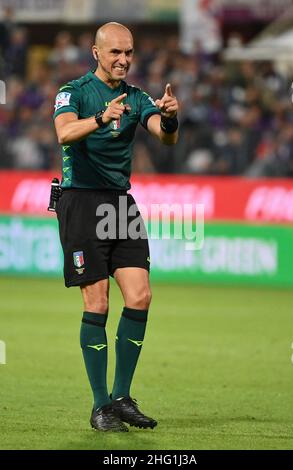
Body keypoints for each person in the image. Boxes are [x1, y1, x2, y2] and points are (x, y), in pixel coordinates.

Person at [53, 22, 179, 432]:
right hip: (81, 201)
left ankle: (122, 397)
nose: (123, 59)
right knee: (99, 303)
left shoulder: (139, 97)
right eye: (115, 53)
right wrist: (100, 116)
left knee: (140, 296)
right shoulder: (74, 92)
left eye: (128, 52)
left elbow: (165, 138)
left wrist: (170, 119)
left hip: (120, 205)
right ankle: (99, 406)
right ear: (96, 53)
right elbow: (64, 132)